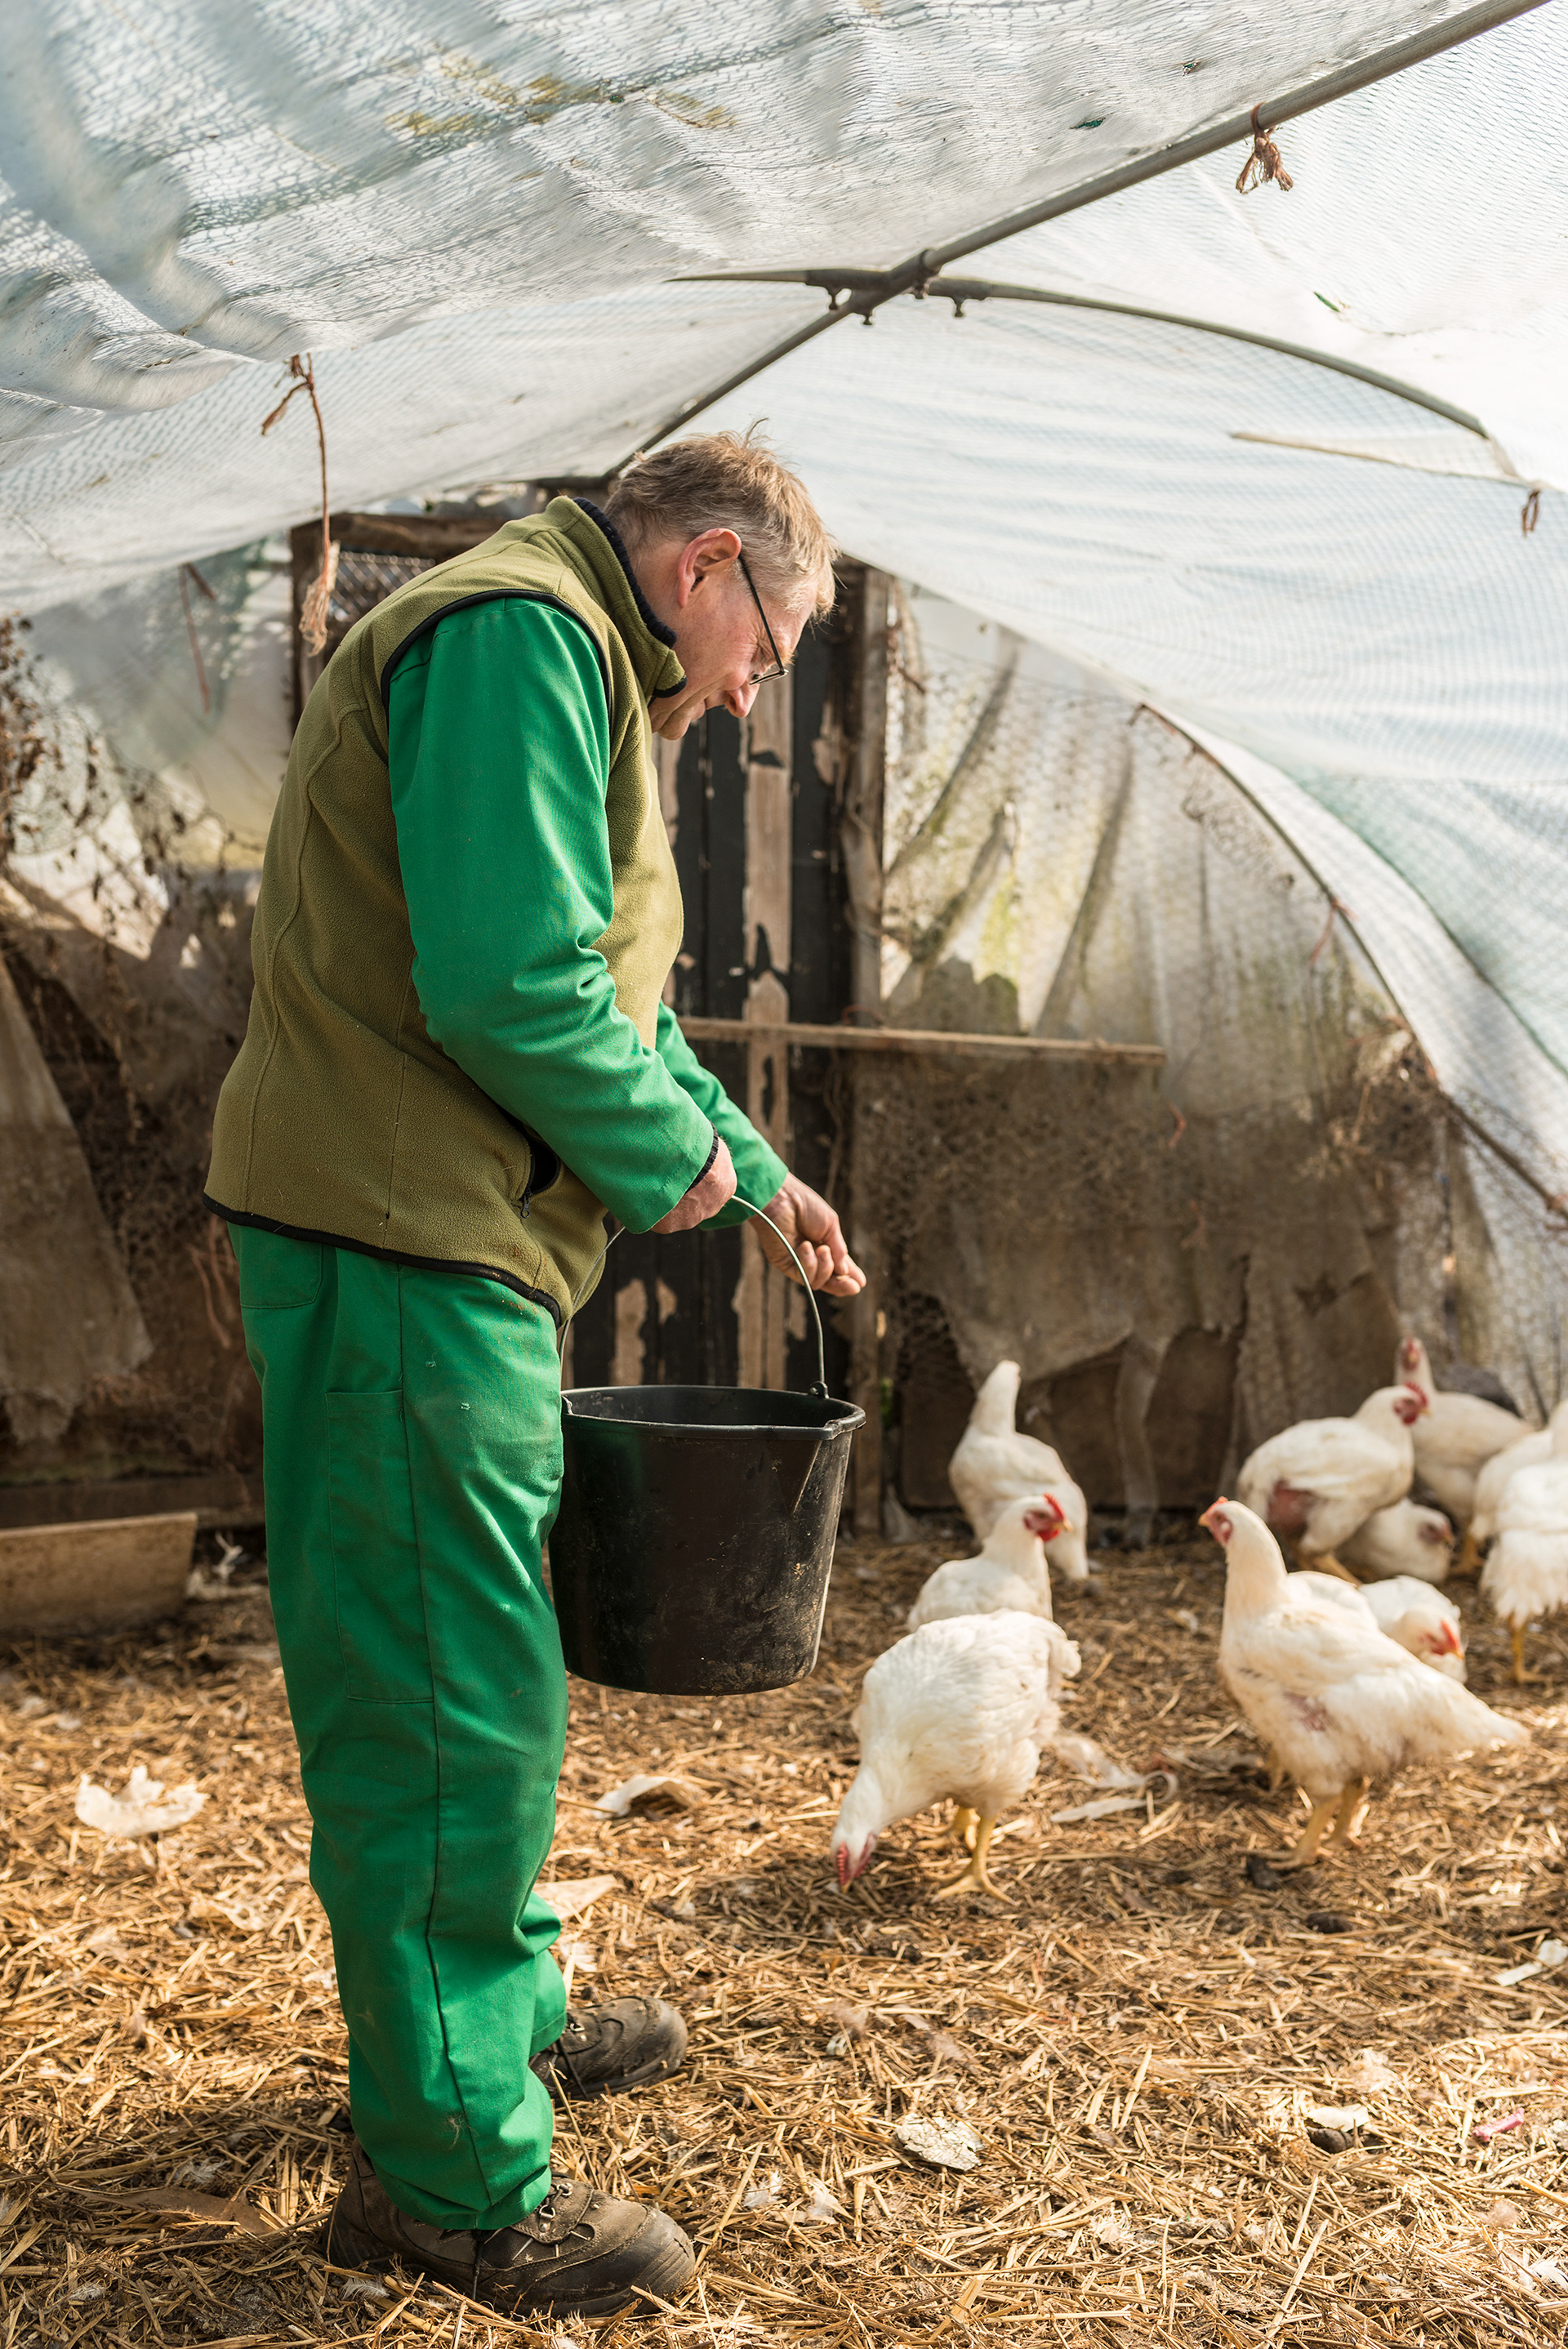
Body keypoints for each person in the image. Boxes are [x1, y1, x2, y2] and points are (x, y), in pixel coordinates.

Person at [204, 432, 865, 2320]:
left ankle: (490, 2017)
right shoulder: (518, 636)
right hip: (399, 1243)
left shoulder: (577, 655)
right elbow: (514, 989)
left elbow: (612, 995)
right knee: (445, 1703)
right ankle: (452, 2178)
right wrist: (683, 1166)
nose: (754, 690)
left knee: (477, 1680)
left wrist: (750, 1156)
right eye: (769, 644)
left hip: (441, 1233)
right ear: (709, 563)